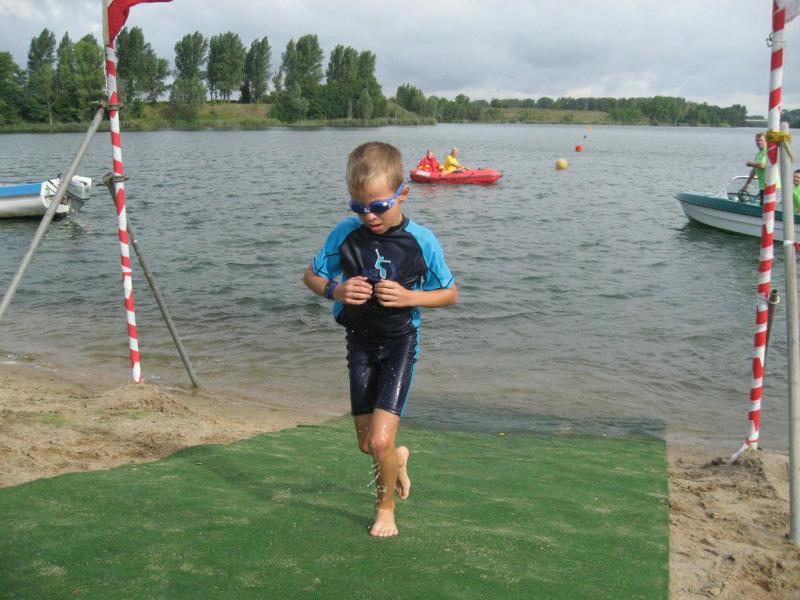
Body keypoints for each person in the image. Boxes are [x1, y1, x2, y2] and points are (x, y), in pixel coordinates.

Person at [302, 141, 458, 538]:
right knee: (367, 445)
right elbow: (311, 276)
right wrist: (335, 291)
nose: (368, 216)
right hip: (359, 342)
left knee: (379, 440)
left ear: (402, 193)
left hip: (399, 344)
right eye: (358, 207)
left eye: (378, 206)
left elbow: (450, 293)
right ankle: (396, 460)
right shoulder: (345, 234)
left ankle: (385, 508)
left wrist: (409, 297)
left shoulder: (421, 241)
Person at [742, 132, 780, 205]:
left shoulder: (767, 151)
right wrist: (746, 184)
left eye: (761, 140)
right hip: (763, 185)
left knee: (766, 205)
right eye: (757, 140)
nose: (759, 142)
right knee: (762, 205)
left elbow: (762, 165)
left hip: (770, 184)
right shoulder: (758, 154)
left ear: (766, 141)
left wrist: (750, 163)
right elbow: (754, 170)